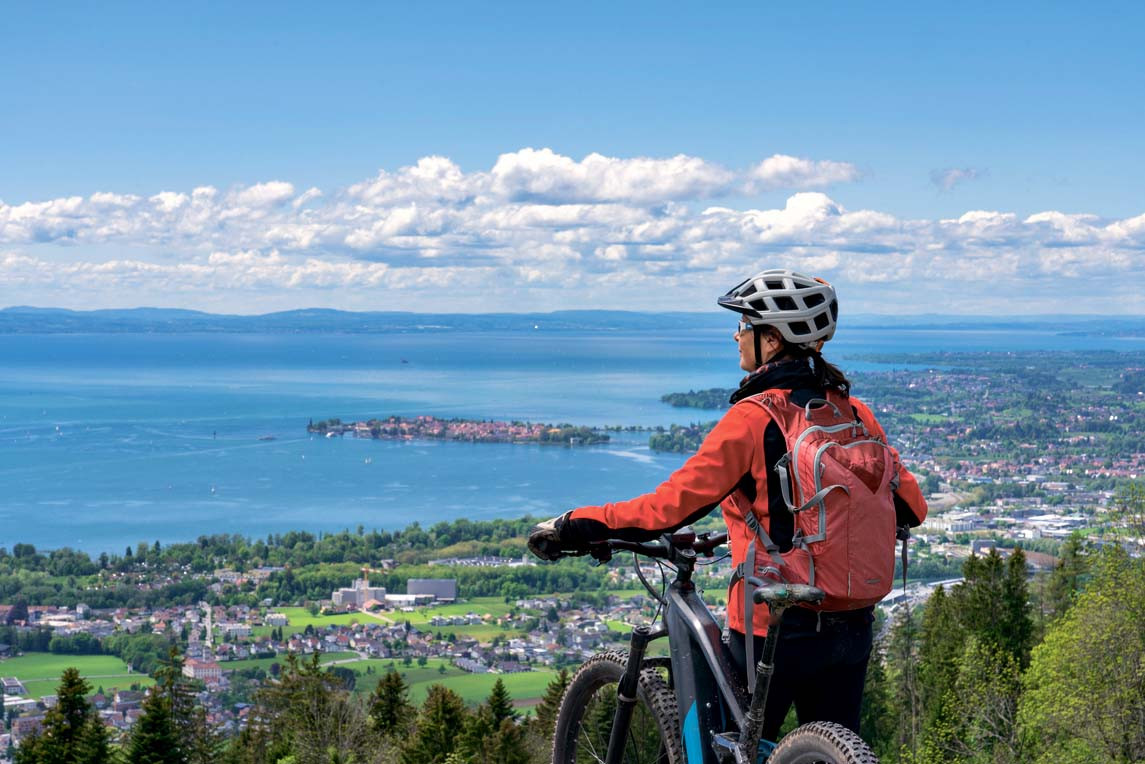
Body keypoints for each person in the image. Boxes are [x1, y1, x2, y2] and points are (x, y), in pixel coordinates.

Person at [528, 268, 927, 740]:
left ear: (772, 340)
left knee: (727, 747)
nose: (735, 335)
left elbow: (667, 510)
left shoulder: (753, 418)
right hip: (852, 625)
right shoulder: (855, 413)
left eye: (744, 325)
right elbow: (913, 508)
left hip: (774, 629)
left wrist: (577, 523)